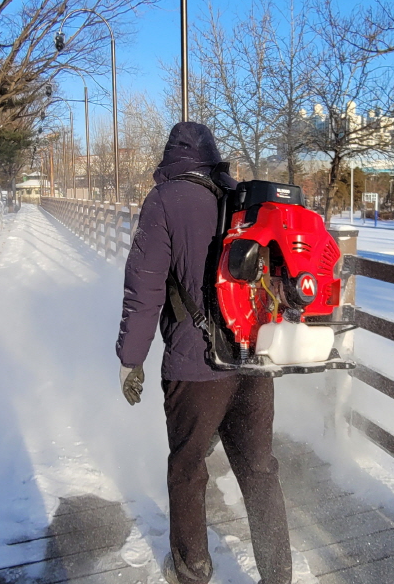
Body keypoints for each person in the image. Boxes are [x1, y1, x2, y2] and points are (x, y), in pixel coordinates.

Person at [115, 122, 292, 584]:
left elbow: (145, 287)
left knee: (188, 470)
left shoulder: (165, 201)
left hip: (196, 367)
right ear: (213, 156)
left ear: (171, 157)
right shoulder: (247, 198)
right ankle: (279, 575)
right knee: (259, 470)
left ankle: (194, 570)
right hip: (254, 358)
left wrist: (131, 357)